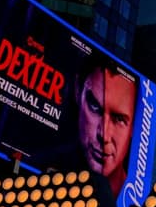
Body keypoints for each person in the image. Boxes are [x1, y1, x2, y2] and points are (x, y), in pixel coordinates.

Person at [39, 53, 137, 199]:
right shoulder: (40, 164)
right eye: (94, 107)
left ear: (133, 128)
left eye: (119, 119)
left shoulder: (135, 201)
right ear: (78, 92)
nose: (104, 134)